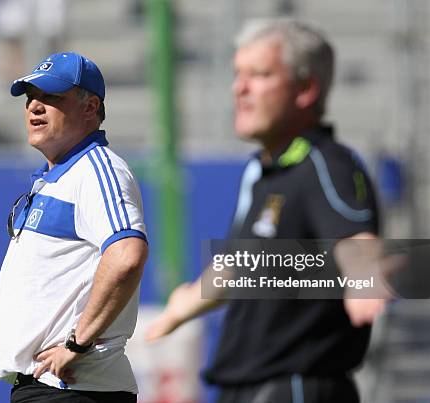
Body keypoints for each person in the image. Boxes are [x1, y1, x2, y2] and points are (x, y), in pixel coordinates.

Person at [146, 18, 384, 403]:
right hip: (244, 388)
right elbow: (241, 266)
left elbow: (355, 238)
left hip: (294, 387)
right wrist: (181, 307)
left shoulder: (326, 164)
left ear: (305, 89)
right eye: (237, 74)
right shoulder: (264, 172)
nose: (239, 88)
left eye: (259, 75)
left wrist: (363, 279)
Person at [0, 52, 148, 403]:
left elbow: (126, 256)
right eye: (31, 97)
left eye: (52, 97)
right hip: (51, 388)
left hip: (72, 389)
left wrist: (78, 342)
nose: (34, 107)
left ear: (90, 107)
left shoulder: (97, 169)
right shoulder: (59, 176)